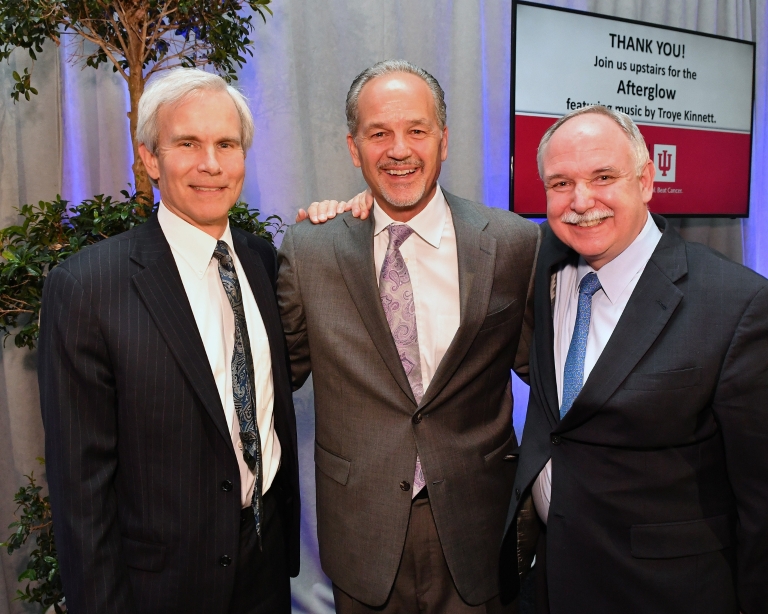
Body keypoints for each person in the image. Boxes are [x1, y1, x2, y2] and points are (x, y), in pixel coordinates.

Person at [277, 59, 539, 613]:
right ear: (354, 149)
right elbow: (274, 376)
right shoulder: (310, 252)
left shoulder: (514, 244)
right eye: (379, 133)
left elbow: (551, 378)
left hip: (478, 525)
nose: (400, 149)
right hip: (361, 534)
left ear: (443, 141)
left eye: (417, 131)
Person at [38, 68, 300, 614]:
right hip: (160, 589)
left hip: (266, 569)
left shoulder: (261, 260)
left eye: (226, 144)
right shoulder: (87, 288)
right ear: (150, 159)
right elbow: (81, 491)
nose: (211, 163)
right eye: (188, 143)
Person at [496, 105, 768, 614]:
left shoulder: (737, 304)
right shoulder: (544, 262)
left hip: (665, 591)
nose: (581, 202)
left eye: (603, 177)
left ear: (646, 180)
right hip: (555, 576)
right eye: (560, 183)